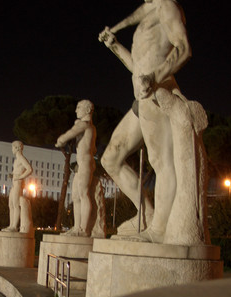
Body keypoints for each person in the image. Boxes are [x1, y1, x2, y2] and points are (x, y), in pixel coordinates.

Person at [98, 0, 194, 243]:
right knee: (111, 158)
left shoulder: (167, 7)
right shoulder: (149, 13)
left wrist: (155, 77)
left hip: (158, 94)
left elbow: (183, 49)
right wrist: (115, 47)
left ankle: (159, 230)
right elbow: (138, 68)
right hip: (142, 99)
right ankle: (147, 214)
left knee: (161, 162)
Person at [55, 99, 97, 237]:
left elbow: (72, 132)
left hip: (85, 163)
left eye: (78, 107)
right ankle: (77, 227)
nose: (75, 110)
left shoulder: (85, 125)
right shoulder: (87, 126)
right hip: (81, 164)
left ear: (87, 110)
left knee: (83, 194)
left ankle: (84, 230)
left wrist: (61, 139)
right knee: (75, 196)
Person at [2, 141, 33, 233]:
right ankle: (11, 225)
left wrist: (19, 177)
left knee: (15, 205)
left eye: (12, 147)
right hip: (14, 183)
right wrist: (13, 175)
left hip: (18, 183)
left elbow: (29, 169)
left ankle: (14, 226)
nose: (12, 149)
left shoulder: (21, 158)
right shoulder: (17, 159)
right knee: (11, 205)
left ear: (17, 148)